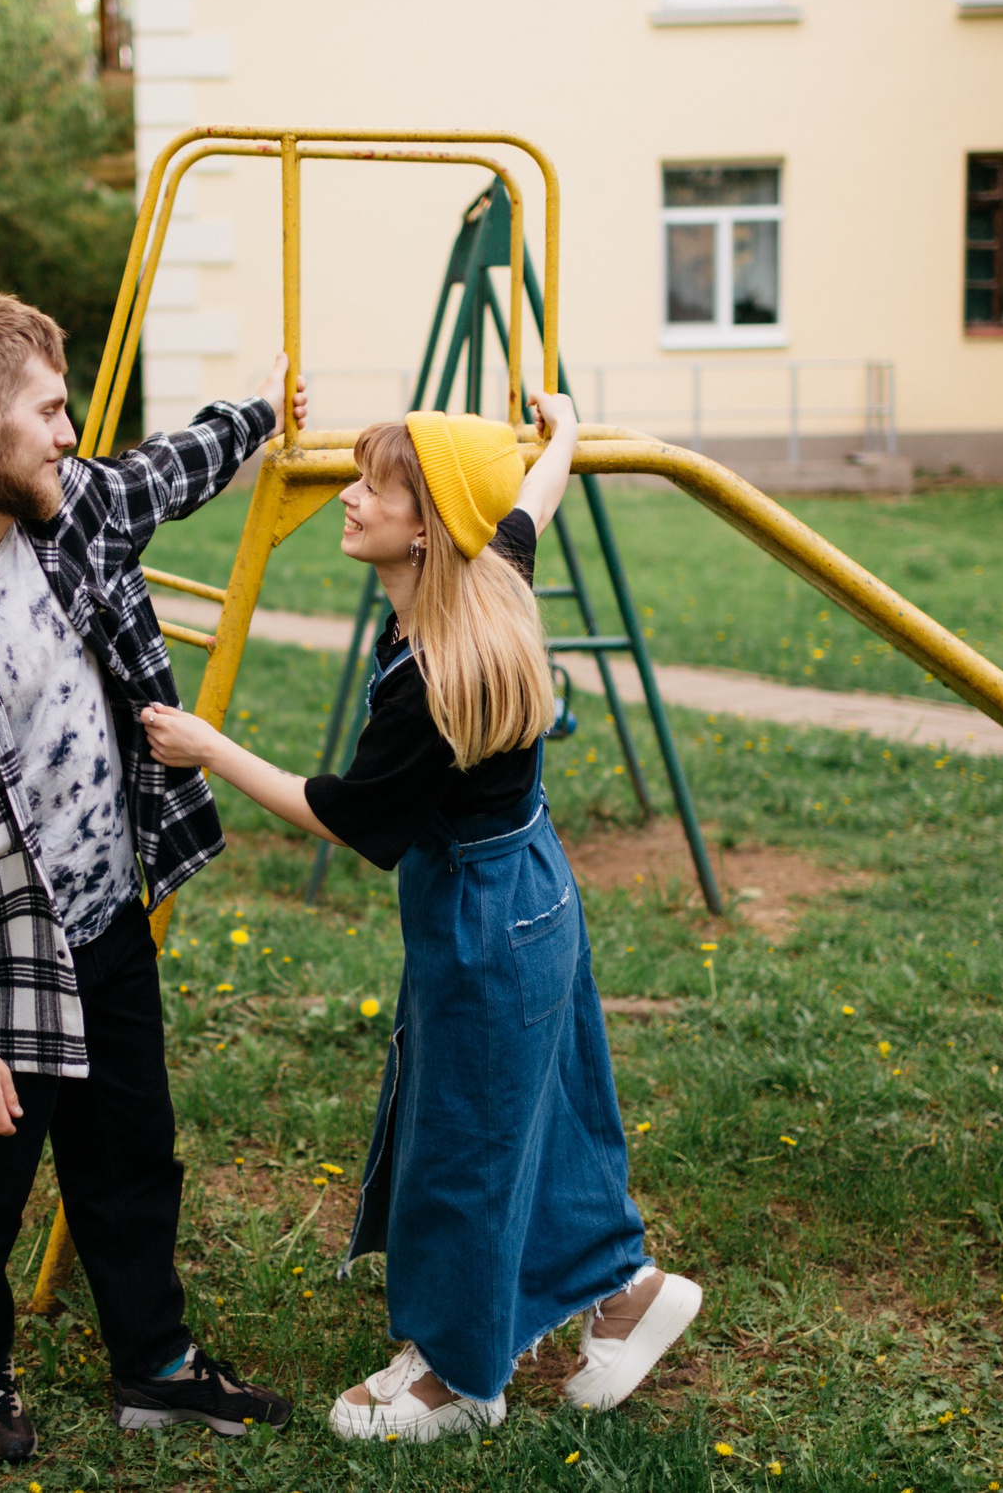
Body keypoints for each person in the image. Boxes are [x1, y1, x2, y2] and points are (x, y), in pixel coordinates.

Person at [137, 392, 705, 1441]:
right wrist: (562, 433)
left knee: (467, 1140)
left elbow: (346, 818)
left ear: (426, 529)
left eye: (372, 488)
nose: (347, 497)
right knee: (547, 1110)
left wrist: (210, 748)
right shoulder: (492, 577)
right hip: (530, 886)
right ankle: (623, 1294)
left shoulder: (435, 679)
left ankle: (455, 1374)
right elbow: (529, 500)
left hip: (485, 919)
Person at [0, 292, 300, 1463]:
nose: (69, 431)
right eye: (49, 410)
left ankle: (159, 1367)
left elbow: (164, 471)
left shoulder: (66, 513)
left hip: (104, 917)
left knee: (133, 1154)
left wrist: (262, 417)